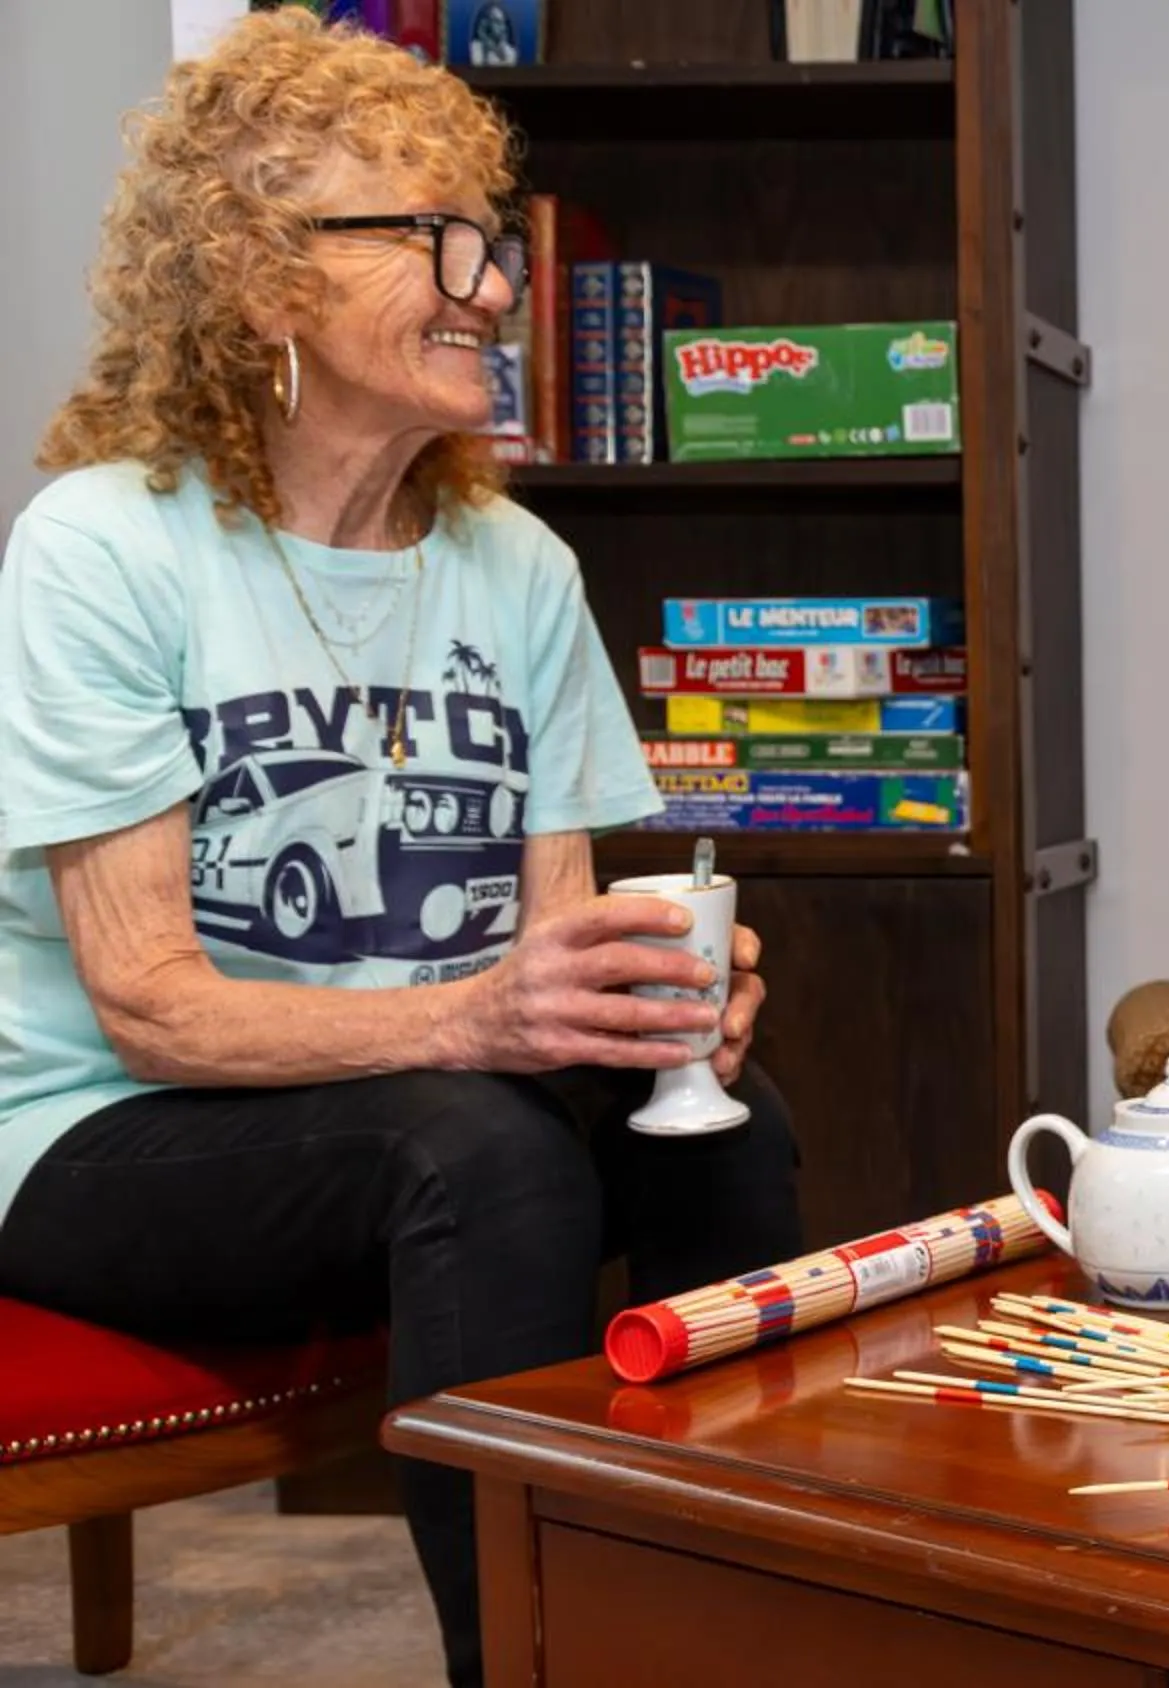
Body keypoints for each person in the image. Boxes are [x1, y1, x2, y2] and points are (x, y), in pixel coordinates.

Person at [0, 15, 801, 1685]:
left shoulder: (514, 564)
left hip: (415, 1104)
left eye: (490, 244)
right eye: (429, 242)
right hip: (108, 1138)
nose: (493, 289)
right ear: (257, 274)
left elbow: (553, 943)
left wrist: (647, 1007)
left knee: (719, 1127)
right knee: (483, 1146)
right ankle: (523, 1662)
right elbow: (147, 1000)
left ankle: (718, 1623)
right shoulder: (104, 544)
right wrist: (485, 1025)